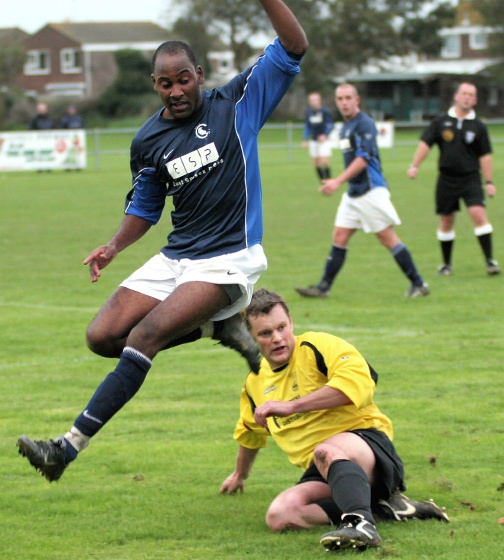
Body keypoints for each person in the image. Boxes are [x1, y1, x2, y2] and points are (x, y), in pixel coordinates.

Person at [16, 0, 309, 483]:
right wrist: (113, 246)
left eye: (184, 79)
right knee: (102, 337)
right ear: (155, 84)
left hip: (229, 261)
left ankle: (65, 449)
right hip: (178, 257)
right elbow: (146, 207)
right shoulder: (148, 140)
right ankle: (222, 330)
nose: (176, 91)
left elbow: (294, 46)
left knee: (144, 337)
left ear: (199, 73)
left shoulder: (238, 103)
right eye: (165, 83)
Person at [220, 288, 449, 552]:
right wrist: (240, 474)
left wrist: (292, 406)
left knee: (327, 450)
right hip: (325, 469)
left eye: (282, 327)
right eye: (265, 333)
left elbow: (359, 384)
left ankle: (360, 525)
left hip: (367, 446)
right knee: (281, 515)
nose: (278, 338)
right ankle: (384, 509)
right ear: (251, 337)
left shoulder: (318, 346)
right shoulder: (255, 384)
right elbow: (249, 432)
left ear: (291, 322)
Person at [295, 83, 429, 299]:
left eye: (349, 98)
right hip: (354, 193)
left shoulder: (364, 123)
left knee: (387, 238)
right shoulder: (346, 126)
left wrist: (337, 181)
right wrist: (340, 181)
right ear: (336, 102)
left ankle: (419, 284)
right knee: (340, 235)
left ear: (357, 100)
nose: (345, 102)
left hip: (370, 191)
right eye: (340, 99)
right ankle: (323, 288)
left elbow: (363, 159)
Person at [407, 82, 500, 276]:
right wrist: (415, 165)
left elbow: (485, 155)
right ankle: (446, 264)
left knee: (478, 214)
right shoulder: (441, 121)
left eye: (471, 95)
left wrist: (489, 182)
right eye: (464, 94)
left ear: (475, 100)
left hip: (471, 178)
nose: (467, 97)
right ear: (456, 96)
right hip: (446, 178)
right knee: (447, 220)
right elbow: (426, 143)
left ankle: (490, 261)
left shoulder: (478, 125)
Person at [302, 91, 334, 182]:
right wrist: (304, 139)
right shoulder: (308, 112)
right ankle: (322, 180)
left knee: (324, 160)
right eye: (311, 100)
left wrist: (325, 135)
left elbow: (330, 124)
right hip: (313, 140)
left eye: (315, 100)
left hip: (323, 141)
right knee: (316, 162)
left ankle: (328, 179)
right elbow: (307, 126)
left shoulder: (325, 112)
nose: (313, 102)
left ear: (319, 101)